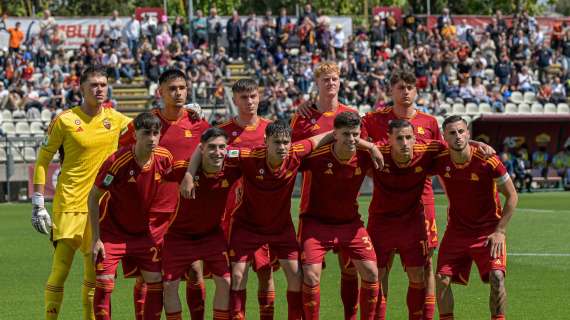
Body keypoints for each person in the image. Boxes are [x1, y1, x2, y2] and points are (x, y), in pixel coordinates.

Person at [31, 65, 131, 320]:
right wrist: (38, 202)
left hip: (99, 207)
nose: (99, 89)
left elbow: (152, 127)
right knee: (61, 268)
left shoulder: (116, 119)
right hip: (69, 204)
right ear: (81, 88)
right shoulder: (64, 120)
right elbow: (42, 160)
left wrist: (186, 112)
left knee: (93, 273)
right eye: (93, 85)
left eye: (103, 84)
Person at [118, 68, 209, 320]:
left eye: (181, 88)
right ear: (160, 92)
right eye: (171, 88)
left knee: (194, 271)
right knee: (150, 275)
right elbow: (123, 150)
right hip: (153, 211)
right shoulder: (147, 124)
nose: (177, 93)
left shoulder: (198, 123)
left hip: (188, 211)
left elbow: (215, 152)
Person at [360, 70, 443, 320]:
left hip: (421, 202)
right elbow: (358, 147)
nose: (405, 91)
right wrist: (383, 174)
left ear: (416, 91)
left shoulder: (429, 122)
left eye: (410, 87)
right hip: (385, 203)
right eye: (400, 87)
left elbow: (442, 156)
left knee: (424, 266)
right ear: (391, 90)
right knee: (379, 268)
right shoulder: (374, 120)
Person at [293, 61, 362, 320]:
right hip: (313, 206)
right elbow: (294, 156)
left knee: (351, 270)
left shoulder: (351, 114)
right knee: (310, 273)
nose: (330, 83)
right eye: (325, 80)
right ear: (317, 83)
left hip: (346, 209)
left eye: (334, 79)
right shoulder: (303, 116)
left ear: (340, 81)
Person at [88, 112, 173, 320]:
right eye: (147, 133)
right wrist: (96, 239)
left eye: (156, 133)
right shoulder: (117, 161)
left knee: (155, 281)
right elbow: (93, 197)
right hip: (112, 232)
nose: (152, 138)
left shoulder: (164, 158)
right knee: (105, 283)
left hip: (144, 234)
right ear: (135, 135)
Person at [433, 115, 518, 320]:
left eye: (461, 131)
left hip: (488, 230)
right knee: (441, 279)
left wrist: (500, 231)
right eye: (452, 133)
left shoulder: (488, 160)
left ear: (468, 133)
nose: (458, 136)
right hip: (457, 230)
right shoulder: (439, 158)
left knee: (497, 277)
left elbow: (512, 195)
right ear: (444, 137)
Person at [299, 112, 380, 319]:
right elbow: (290, 160)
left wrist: (371, 147)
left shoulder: (365, 157)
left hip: (350, 224)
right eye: (346, 134)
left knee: (371, 271)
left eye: (355, 134)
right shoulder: (317, 156)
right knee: (311, 275)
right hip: (316, 224)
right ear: (335, 134)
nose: (351, 139)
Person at [212, 78, 276, 319]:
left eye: (253, 96)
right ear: (235, 100)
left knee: (266, 273)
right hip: (233, 216)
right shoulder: (224, 133)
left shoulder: (271, 130)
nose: (249, 102)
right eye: (243, 98)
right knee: (237, 274)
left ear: (259, 97)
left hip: (265, 215)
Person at [162, 128, 240, 320]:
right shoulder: (182, 168)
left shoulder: (232, 167)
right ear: (202, 149)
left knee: (225, 282)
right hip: (178, 236)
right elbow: (158, 175)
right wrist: (189, 174)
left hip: (211, 236)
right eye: (212, 147)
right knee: (169, 286)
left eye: (222, 147)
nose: (218, 152)